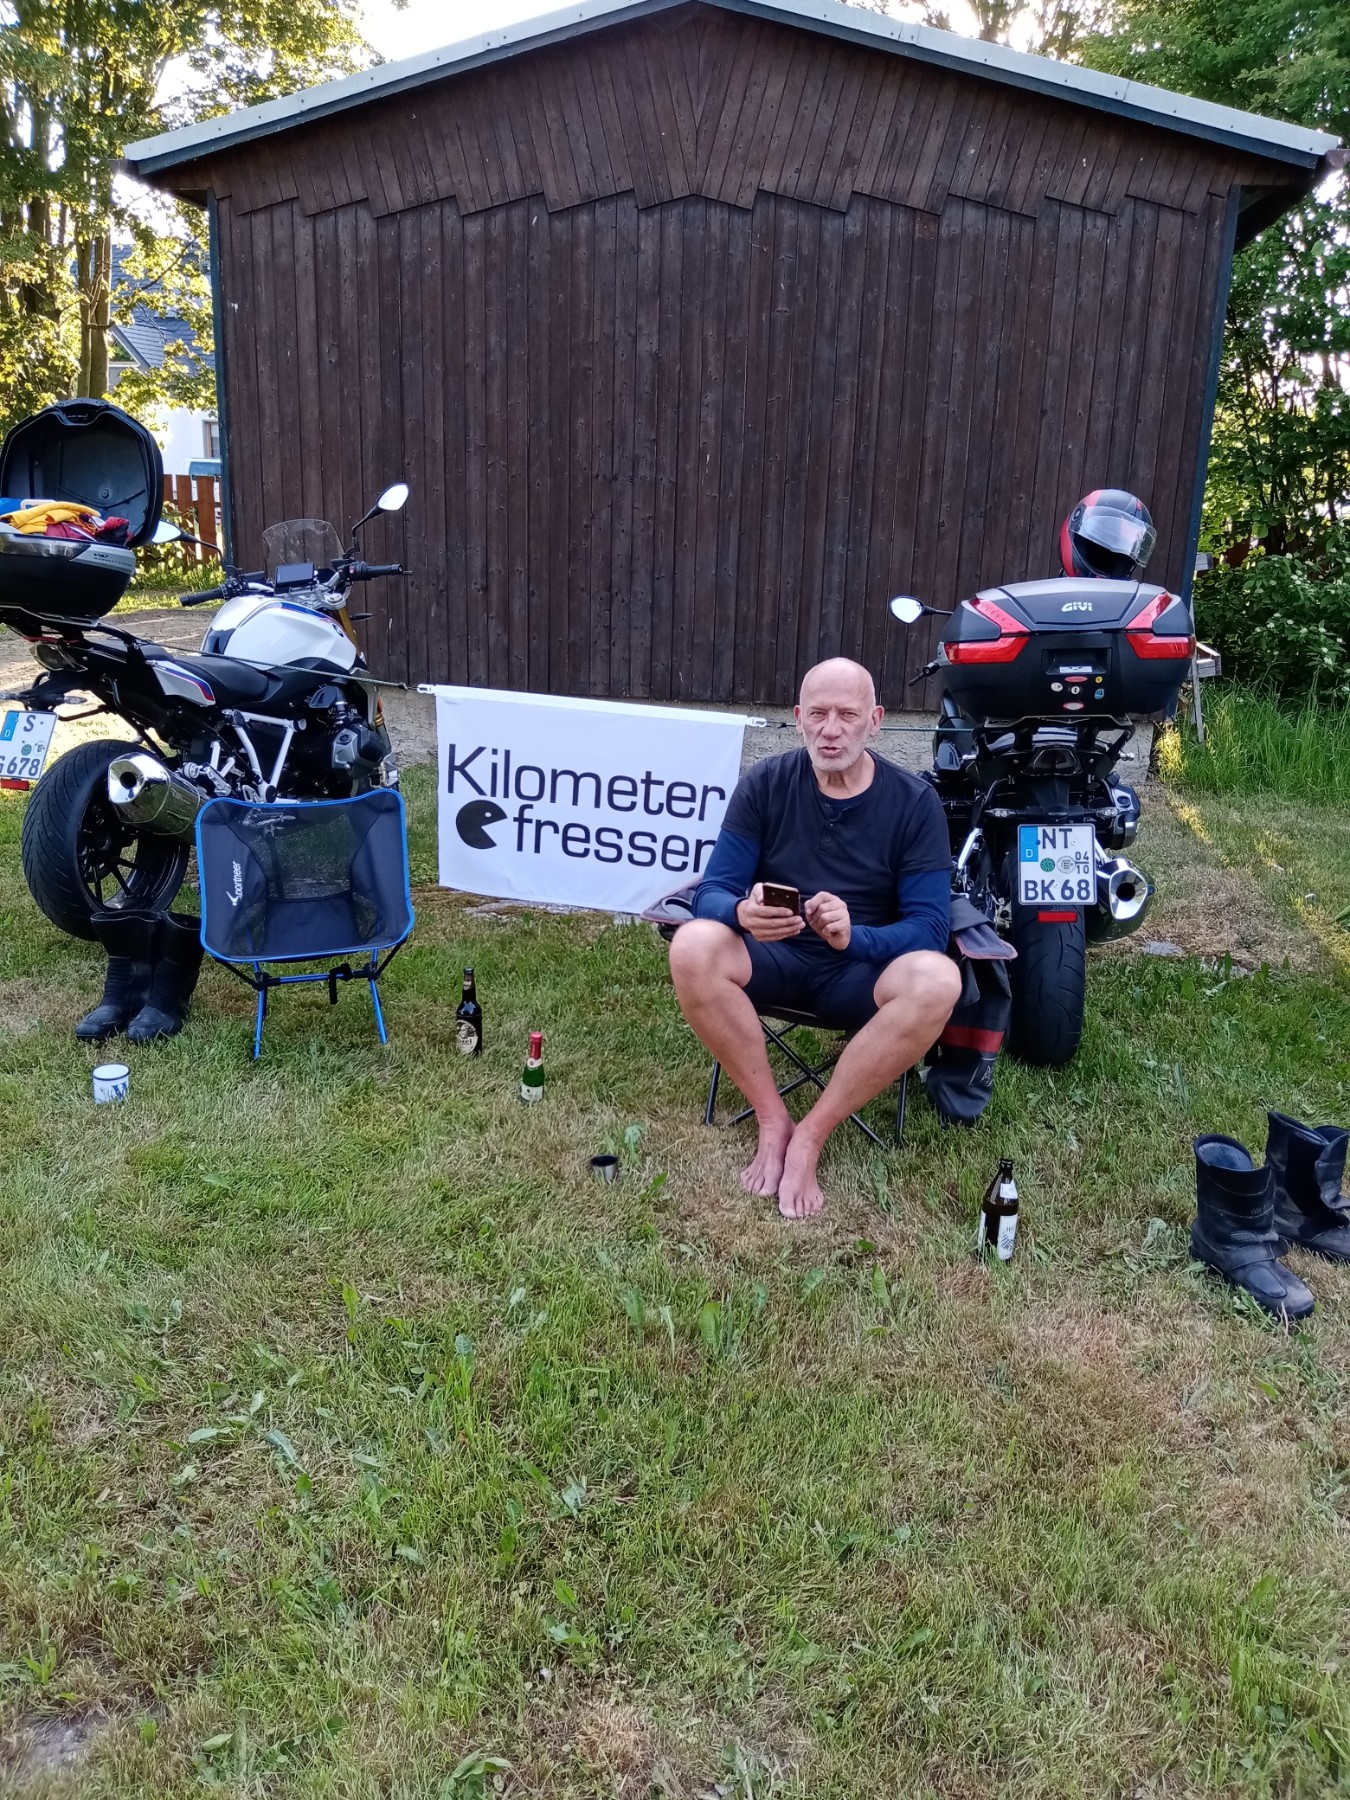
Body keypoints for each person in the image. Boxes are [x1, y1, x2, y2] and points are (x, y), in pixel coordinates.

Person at [669, 658, 961, 1219]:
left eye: (847, 715)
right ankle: (772, 1118)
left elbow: (930, 927)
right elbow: (711, 892)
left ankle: (811, 1134)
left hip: (860, 974)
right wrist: (742, 913)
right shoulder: (765, 783)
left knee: (939, 979)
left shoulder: (913, 803)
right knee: (693, 945)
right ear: (798, 717)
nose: (831, 730)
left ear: (875, 721)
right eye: (819, 714)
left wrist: (855, 938)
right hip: (770, 959)